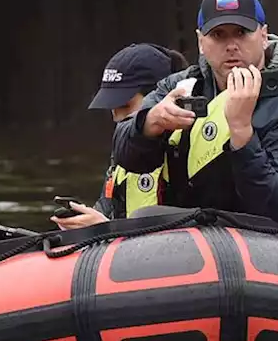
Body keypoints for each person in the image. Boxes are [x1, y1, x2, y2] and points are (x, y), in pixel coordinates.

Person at [110, 0, 278, 250]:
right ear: (200, 42)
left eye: (242, 33)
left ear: (263, 36)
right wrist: (151, 122)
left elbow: (277, 205)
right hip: (197, 238)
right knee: (144, 219)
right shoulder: (178, 87)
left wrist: (242, 133)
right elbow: (123, 152)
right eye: (218, 35)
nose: (231, 46)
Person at [52, 43, 190, 230]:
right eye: (112, 106)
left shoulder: (190, 149)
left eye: (125, 106)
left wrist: (107, 229)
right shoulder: (123, 154)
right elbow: (109, 212)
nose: (116, 116)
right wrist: (87, 224)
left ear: (159, 98)